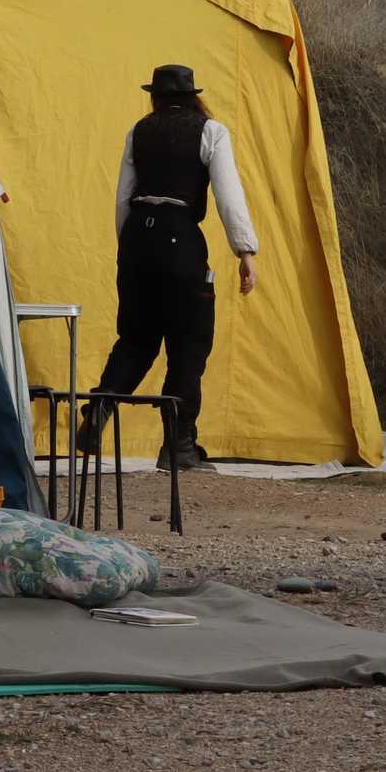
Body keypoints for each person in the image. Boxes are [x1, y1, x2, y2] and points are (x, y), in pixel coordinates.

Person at [76, 64, 258, 470]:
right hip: (180, 238)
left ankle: (99, 410)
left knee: (136, 338)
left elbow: (124, 198)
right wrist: (244, 251)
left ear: (154, 97)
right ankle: (178, 447)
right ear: (194, 95)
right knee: (188, 344)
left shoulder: (138, 132)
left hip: (138, 237)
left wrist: (132, 249)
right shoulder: (210, 131)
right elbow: (229, 195)